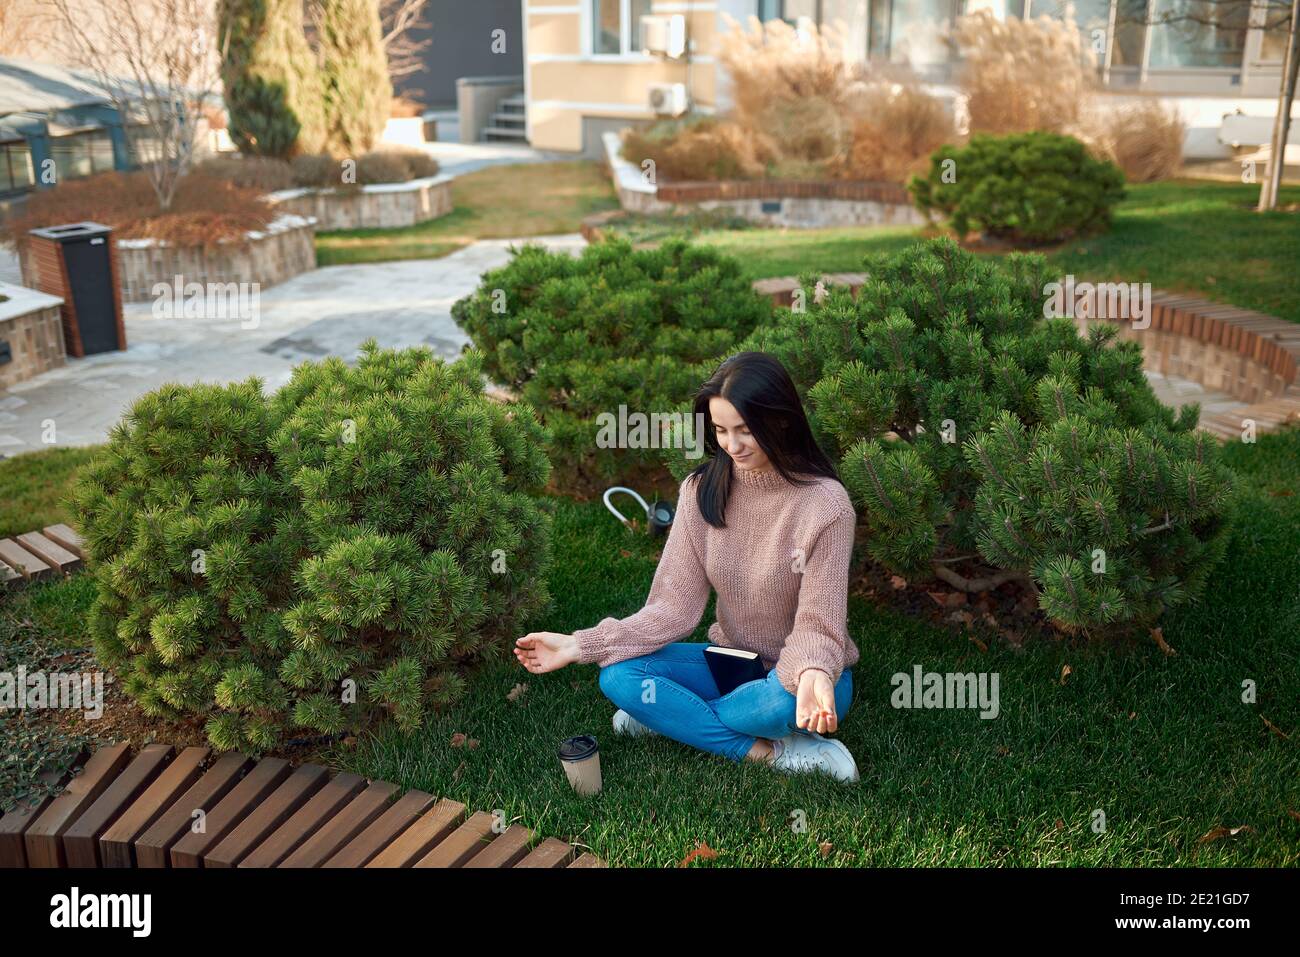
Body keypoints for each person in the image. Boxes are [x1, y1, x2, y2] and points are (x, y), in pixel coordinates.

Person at [515, 351, 861, 782]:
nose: (732, 446)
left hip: (807, 677)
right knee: (620, 678)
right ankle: (769, 753)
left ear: (782, 420)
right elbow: (671, 608)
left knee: (777, 706)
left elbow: (818, 620)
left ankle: (673, 717)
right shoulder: (702, 490)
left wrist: (810, 672)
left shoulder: (825, 505)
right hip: (735, 666)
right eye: (720, 430)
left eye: (746, 430)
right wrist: (579, 645)